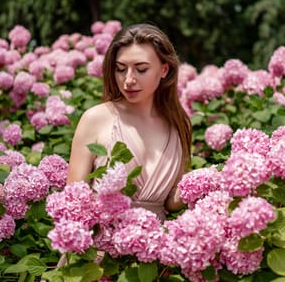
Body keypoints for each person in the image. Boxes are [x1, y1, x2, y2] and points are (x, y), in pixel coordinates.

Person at [67, 23, 192, 221]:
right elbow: (72, 202)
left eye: (141, 69)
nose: (128, 80)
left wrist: (204, 182)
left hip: (156, 247)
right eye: (120, 69)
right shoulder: (95, 119)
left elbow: (170, 202)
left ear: (164, 70)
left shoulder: (178, 123)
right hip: (102, 247)